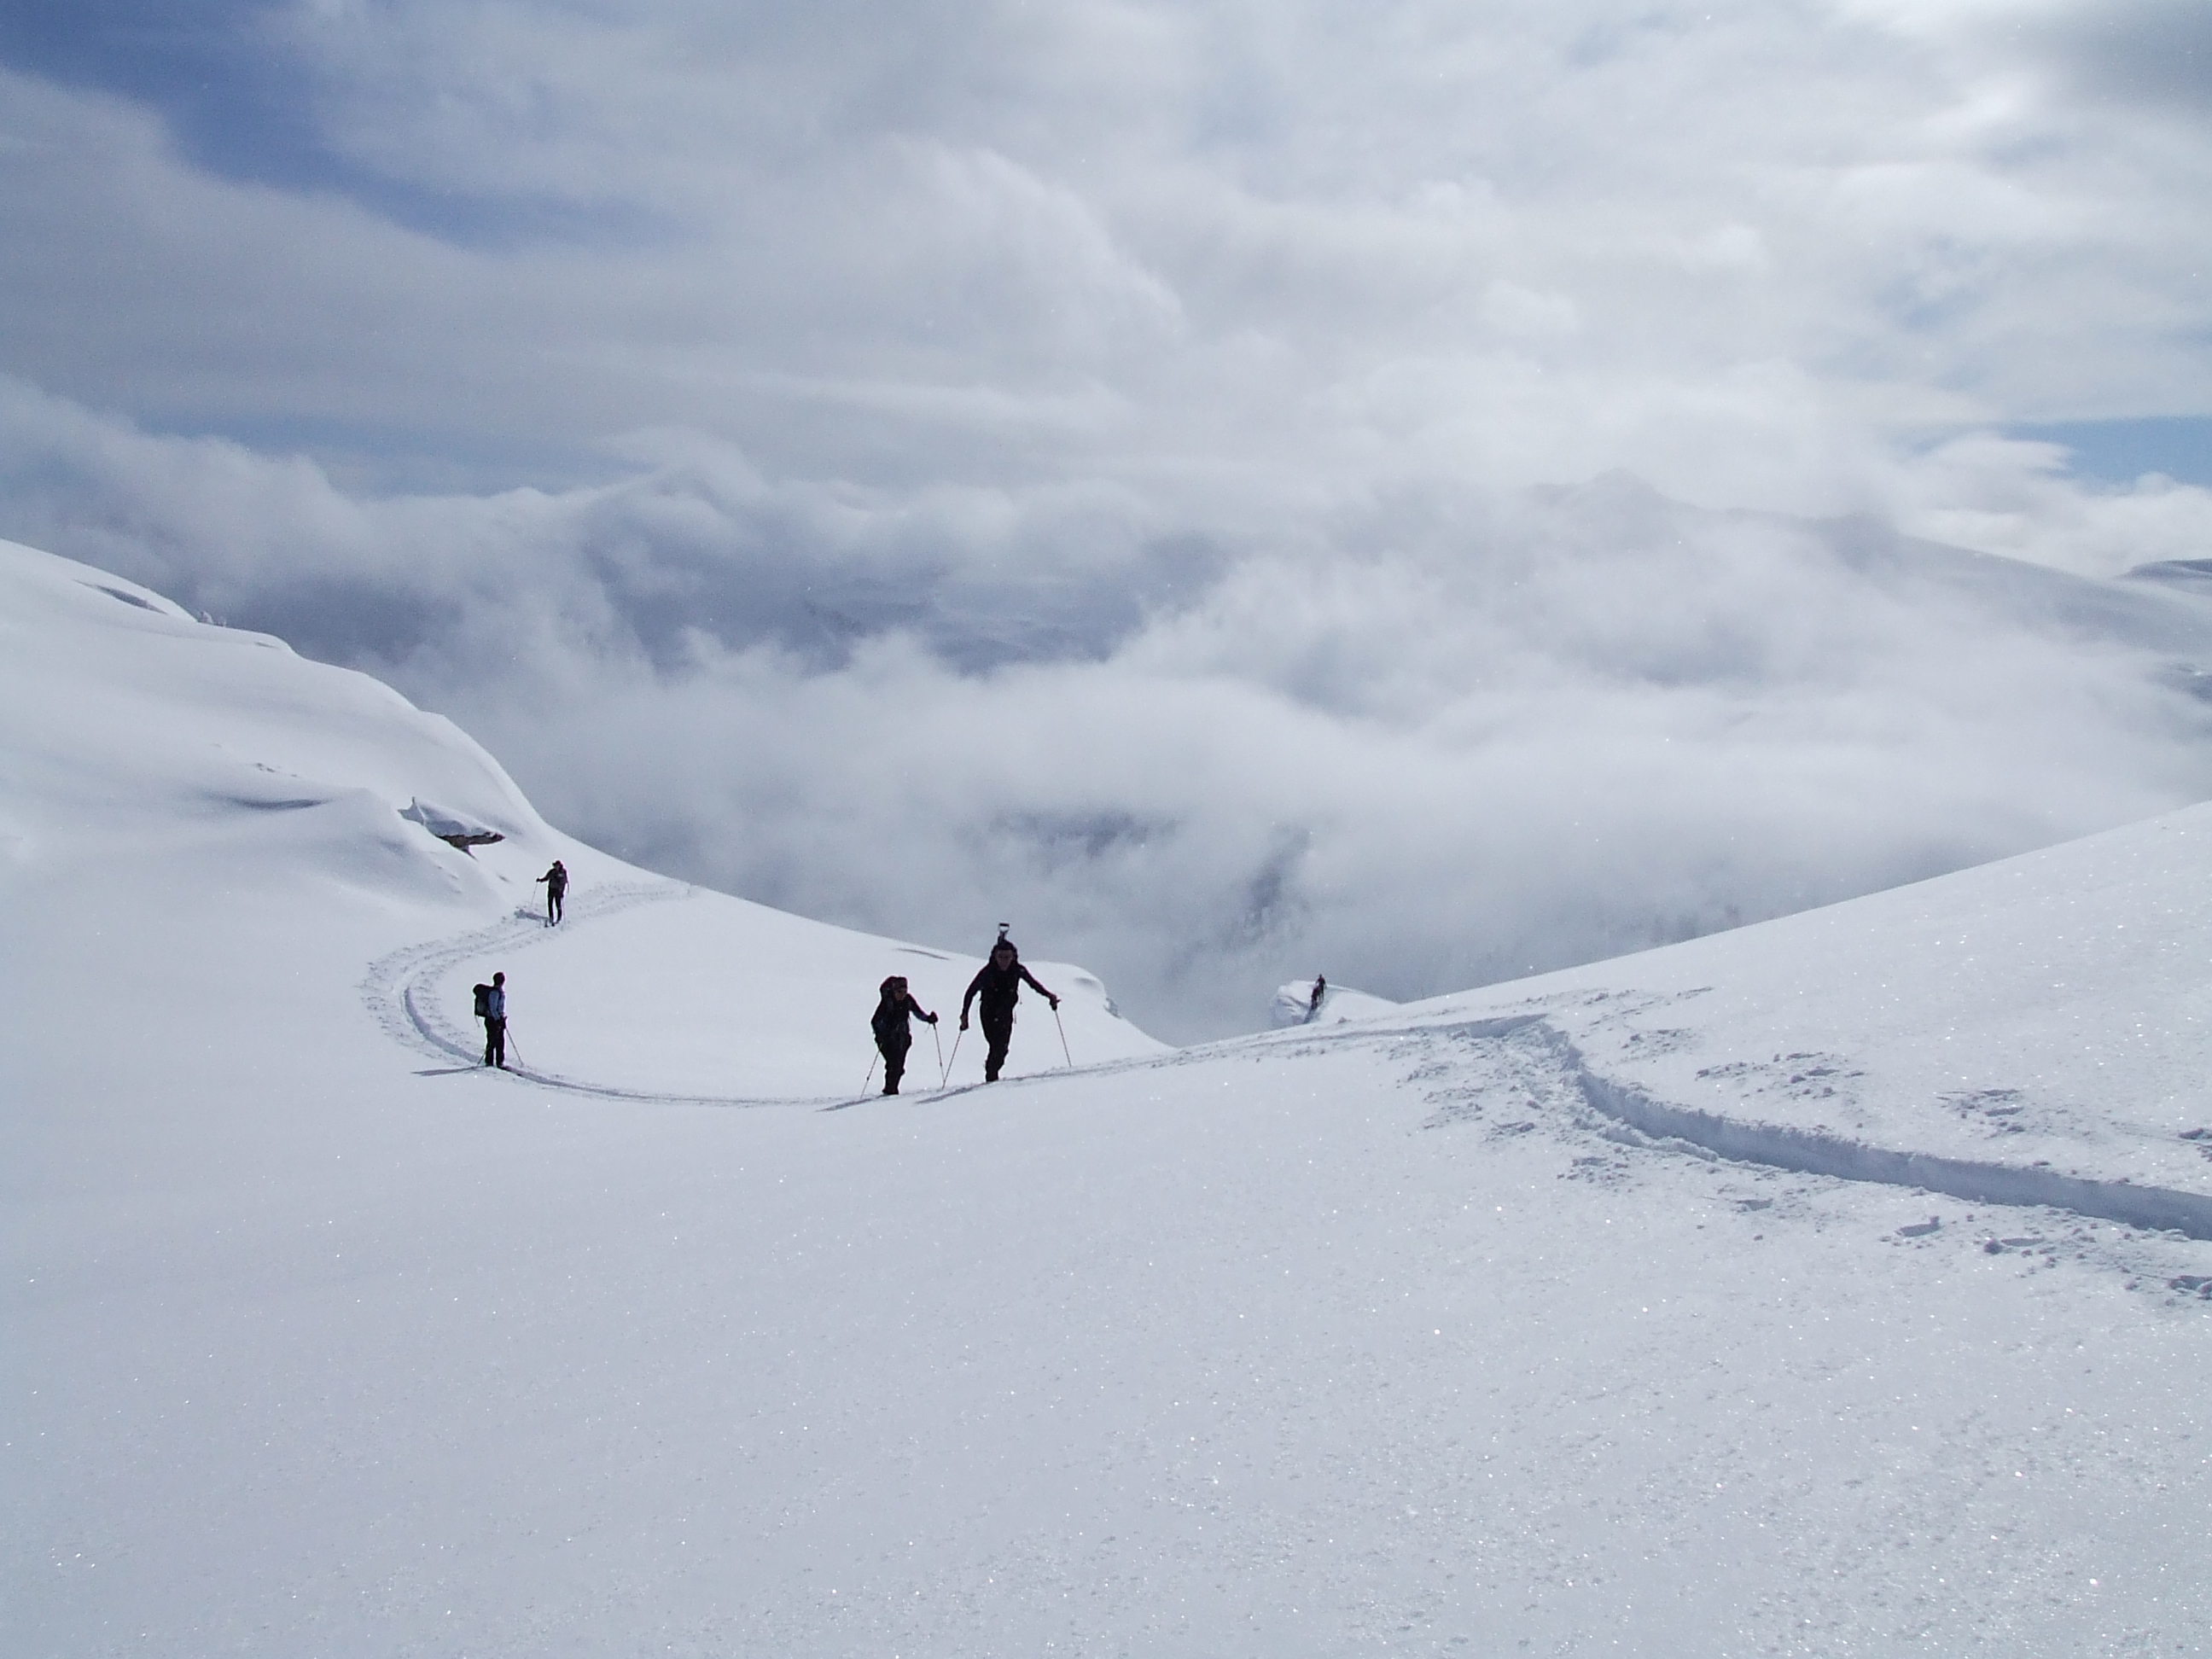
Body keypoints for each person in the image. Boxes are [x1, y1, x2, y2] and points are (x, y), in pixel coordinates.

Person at [959, 930, 1057, 1083]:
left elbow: (1033, 984)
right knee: (996, 1046)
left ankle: (992, 1074)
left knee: (1003, 1049)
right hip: (988, 1013)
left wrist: (1048, 995)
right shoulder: (988, 972)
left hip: (1006, 1013)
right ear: (995, 957)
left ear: (1013, 957)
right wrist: (965, 1014)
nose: (1004, 961)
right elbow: (970, 992)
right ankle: (991, 1078)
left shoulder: (1018, 970)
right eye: (1001, 957)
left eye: (1007, 957)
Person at [870, 975, 939, 1095]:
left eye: (904, 991)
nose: (902, 995)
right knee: (894, 1064)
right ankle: (890, 1091)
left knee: (898, 1067)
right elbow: (875, 1021)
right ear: (894, 991)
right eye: (899, 992)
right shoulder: (887, 1003)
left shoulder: (908, 1000)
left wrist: (929, 1019)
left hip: (903, 1039)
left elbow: (918, 1013)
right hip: (886, 1041)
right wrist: (883, 1033)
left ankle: (891, 1091)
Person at [481, 970, 508, 1068]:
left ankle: (497, 1061)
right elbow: (493, 1008)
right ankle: (491, 1061)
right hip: (492, 1020)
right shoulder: (495, 993)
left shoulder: (498, 992)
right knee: (493, 1040)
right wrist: (498, 1019)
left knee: (499, 1041)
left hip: (496, 1019)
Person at [535, 859, 568, 924]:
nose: (556, 867)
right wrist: (540, 880)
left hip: (558, 890)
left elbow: (564, 882)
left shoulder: (563, 872)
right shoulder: (552, 872)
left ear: (559, 865)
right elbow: (547, 878)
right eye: (555, 866)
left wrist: (562, 892)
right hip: (551, 889)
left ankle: (559, 917)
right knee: (550, 903)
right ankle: (551, 917)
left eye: (557, 865)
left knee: (558, 904)